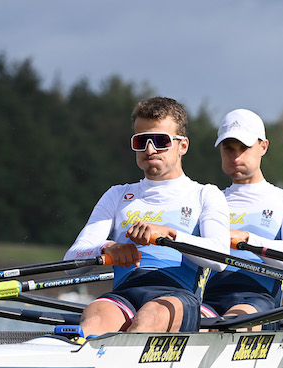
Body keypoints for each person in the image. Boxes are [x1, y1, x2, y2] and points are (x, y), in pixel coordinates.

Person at [64, 96, 230, 337]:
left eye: (161, 141)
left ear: (183, 146)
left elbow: (221, 258)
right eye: (141, 141)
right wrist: (106, 248)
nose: (149, 149)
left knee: (149, 317)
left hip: (178, 296)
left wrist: (170, 235)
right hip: (124, 296)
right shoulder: (117, 195)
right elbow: (72, 261)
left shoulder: (205, 195)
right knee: (94, 318)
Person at [202, 109, 283, 329]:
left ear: (263, 146)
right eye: (229, 148)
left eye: (244, 148)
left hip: (259, 301)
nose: (236, 157)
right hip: (207, 299)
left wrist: (247, 239)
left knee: (228, 325)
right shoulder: (208, 199)